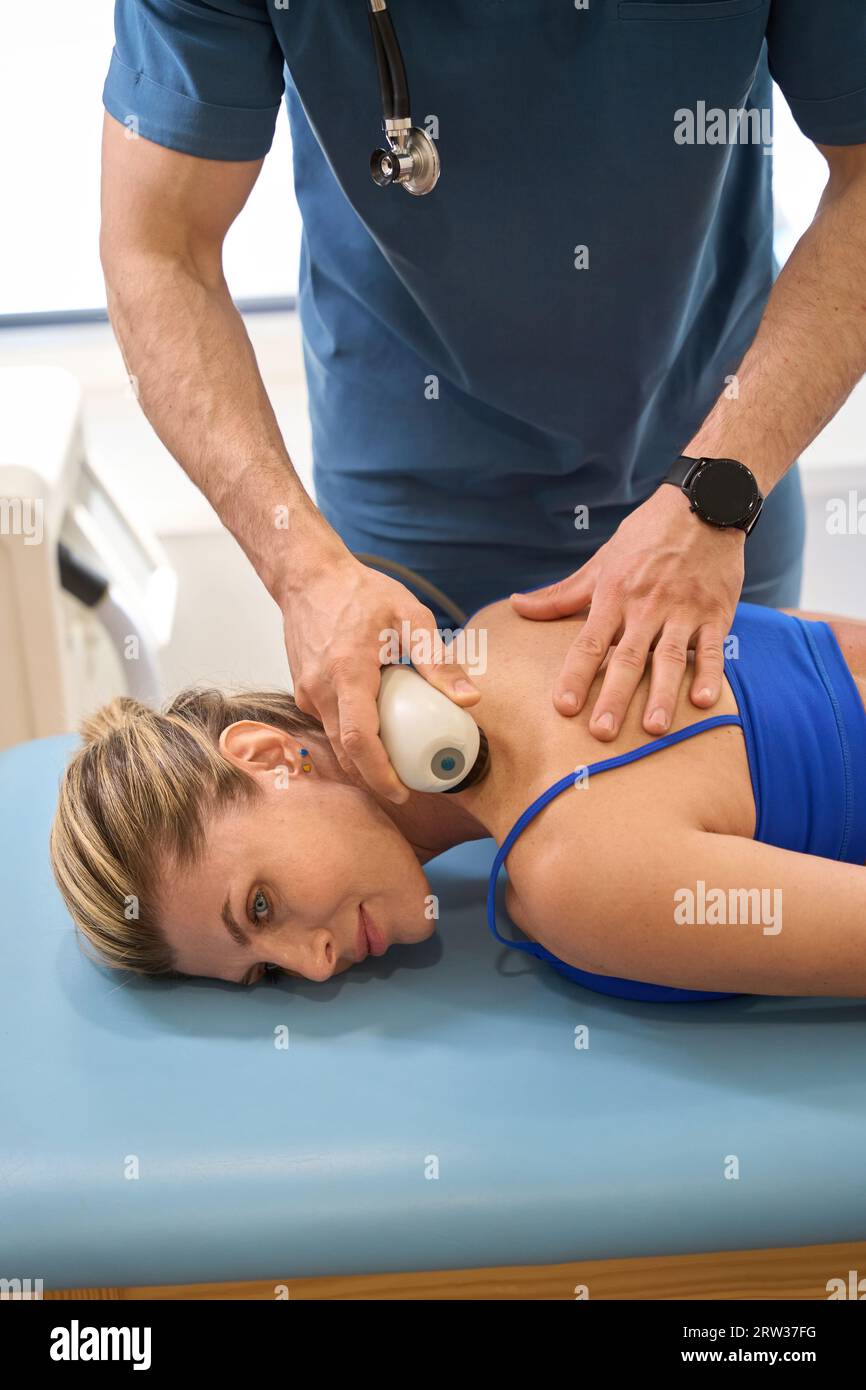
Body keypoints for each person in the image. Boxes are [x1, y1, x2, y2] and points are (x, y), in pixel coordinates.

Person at [99, 1, 866, 802]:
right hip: (411, 517)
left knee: (758, 811)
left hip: (712, 464)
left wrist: (717, 492)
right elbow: (158, 249)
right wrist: (306, 573)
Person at [50, 598, 866, 1001]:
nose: (313, 963)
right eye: (266, 974)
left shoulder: (569, 877)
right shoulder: (511, 625)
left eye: (260, 908)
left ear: (270, 758)